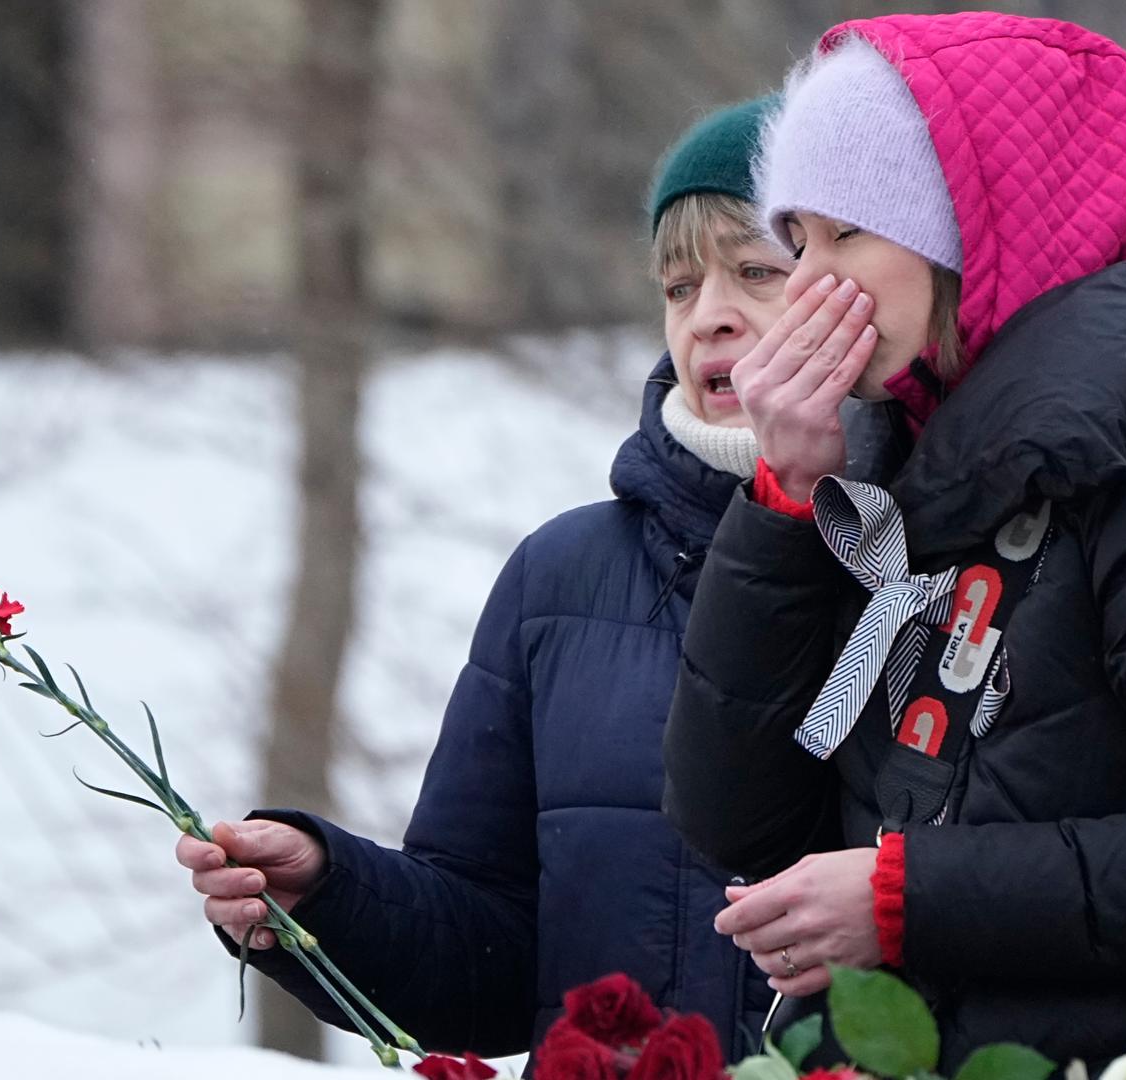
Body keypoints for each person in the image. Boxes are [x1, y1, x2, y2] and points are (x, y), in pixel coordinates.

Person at [660, 14, 1126, 1067]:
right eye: (795, 242)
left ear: (973, 238)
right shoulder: (902, 467)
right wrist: (785, 500)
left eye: (847, 234)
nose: (805, 288)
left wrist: (905, 901)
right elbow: (735, 822)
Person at [174, 99, 794, 1058]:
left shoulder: (934, 565)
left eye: (756, 271)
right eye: (678, 286)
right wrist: (328, 898)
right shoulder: (563, 578)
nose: (709, 314)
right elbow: (490, 956)